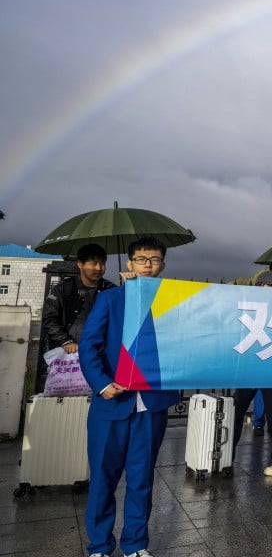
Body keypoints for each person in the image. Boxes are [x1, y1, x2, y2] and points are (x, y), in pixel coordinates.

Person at [79, 237, 180, 557]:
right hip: (112, 402)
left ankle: (135, 544)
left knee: (141, 478)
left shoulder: (174, 302)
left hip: (151, 404)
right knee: (102, 480)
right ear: (129, 264)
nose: (147, 264)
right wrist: (102, 384)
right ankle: (99, 546)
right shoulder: (111, 300)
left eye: (154, 259)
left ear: (163, 264)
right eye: (141, 259)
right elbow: (88, 346)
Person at [231, 272, 272, 476]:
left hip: (271, 367)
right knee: (236, 408)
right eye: (271, 286)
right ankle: (225, 456)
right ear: (259, 286)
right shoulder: (249, 307)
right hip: (250, 367)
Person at [41, 242, 116, 362]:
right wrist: (66, 341)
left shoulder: (111, 290)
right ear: (80, 264)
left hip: (101, 355)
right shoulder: (63, 289)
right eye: (93, 263)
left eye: (102, 263)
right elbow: (50, 319)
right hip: (70, 355)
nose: (99, 268)